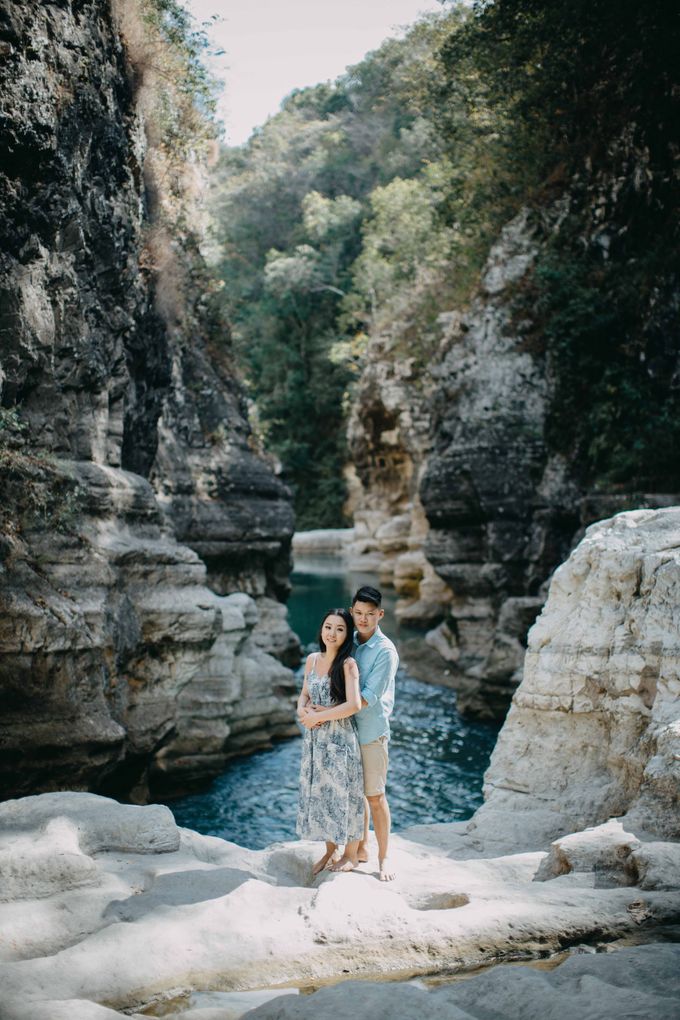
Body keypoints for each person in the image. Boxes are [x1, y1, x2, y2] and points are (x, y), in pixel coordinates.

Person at [295, 608, 365, 876]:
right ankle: (330, 849)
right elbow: (303, 694)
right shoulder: (312, 659)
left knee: (344, 793)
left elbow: (354, 704)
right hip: (315, 740)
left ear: (347, 634)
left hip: (339, 737)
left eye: (339, 629)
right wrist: (303, 713)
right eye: (328, 627)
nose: (332, 633)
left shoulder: (348, 664)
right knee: (321, 793)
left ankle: (351, 855)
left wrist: (319, 717)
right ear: (321, 630)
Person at [350, 585, 399, 882]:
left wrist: (326, 712)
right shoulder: (350, 640)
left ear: (380, 614)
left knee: (375, 796)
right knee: (356, 795)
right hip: (346, 731)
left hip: (371, 733)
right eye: (358, 613)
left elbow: (368, 697)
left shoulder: (385, 651)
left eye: (370, 614)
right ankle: (362, 849)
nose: (363, 619)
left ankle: (384, 859)